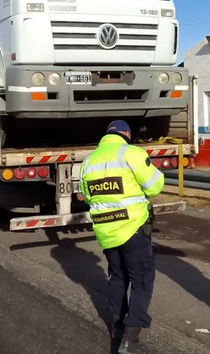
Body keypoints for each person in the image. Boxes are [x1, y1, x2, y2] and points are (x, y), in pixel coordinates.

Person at [80, 120, 164, 354]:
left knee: (117, 277)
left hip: (106, 231)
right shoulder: (132, 153)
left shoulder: (88, 161)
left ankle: (117, 328)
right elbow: (155, 186)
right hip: (134, 228)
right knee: (142, 280)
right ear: (126, 134)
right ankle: (131, 337)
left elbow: (87, 197)